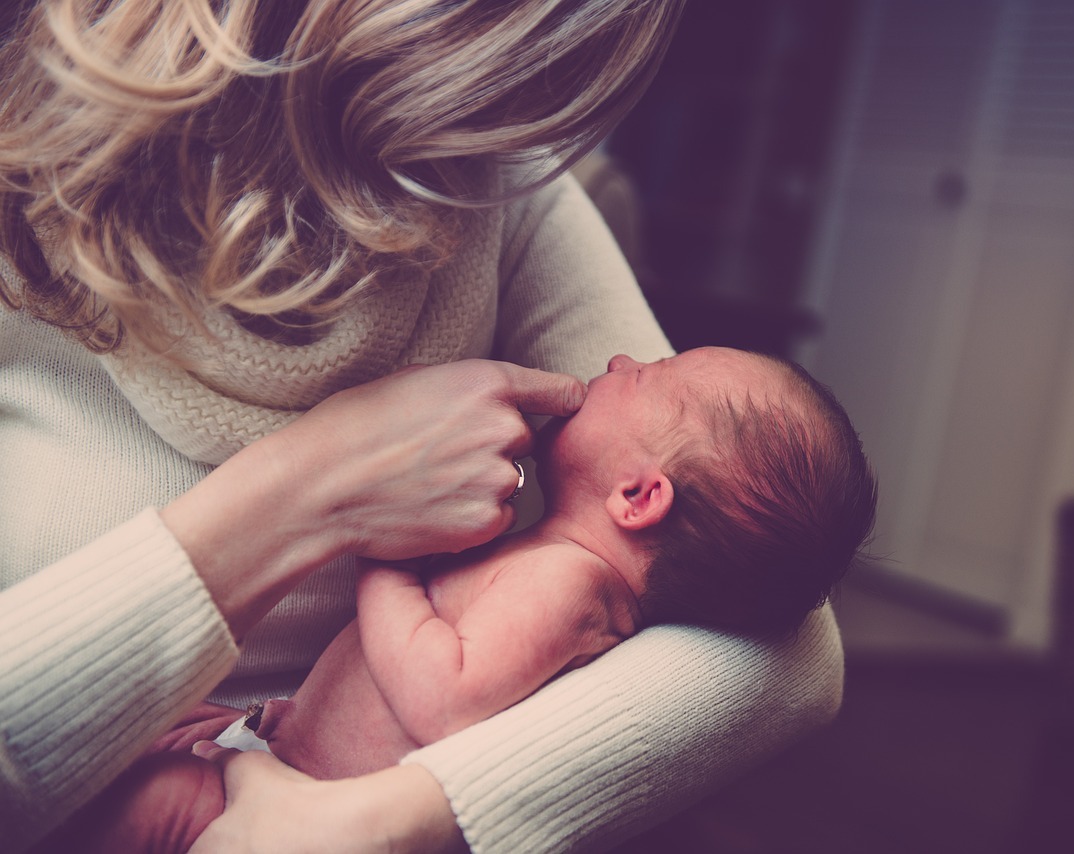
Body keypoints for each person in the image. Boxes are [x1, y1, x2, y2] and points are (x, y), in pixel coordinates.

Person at [0, 3, 847, 852]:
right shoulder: (26, 172)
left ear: (640, 495)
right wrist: (326, 489)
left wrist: (383, 822)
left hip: (287, 784)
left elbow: (793, 651)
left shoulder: (502, 184)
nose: (621, 365)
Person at [47, 347, 877, 851]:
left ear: (638, 496)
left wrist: (385, 561)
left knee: (139, 805)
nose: (620, 362)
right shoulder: (557, 561)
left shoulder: (567, 585)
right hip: (286, 751)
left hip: (307, 807)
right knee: (141, 752)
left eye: (649, 376)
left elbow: (445, 699)